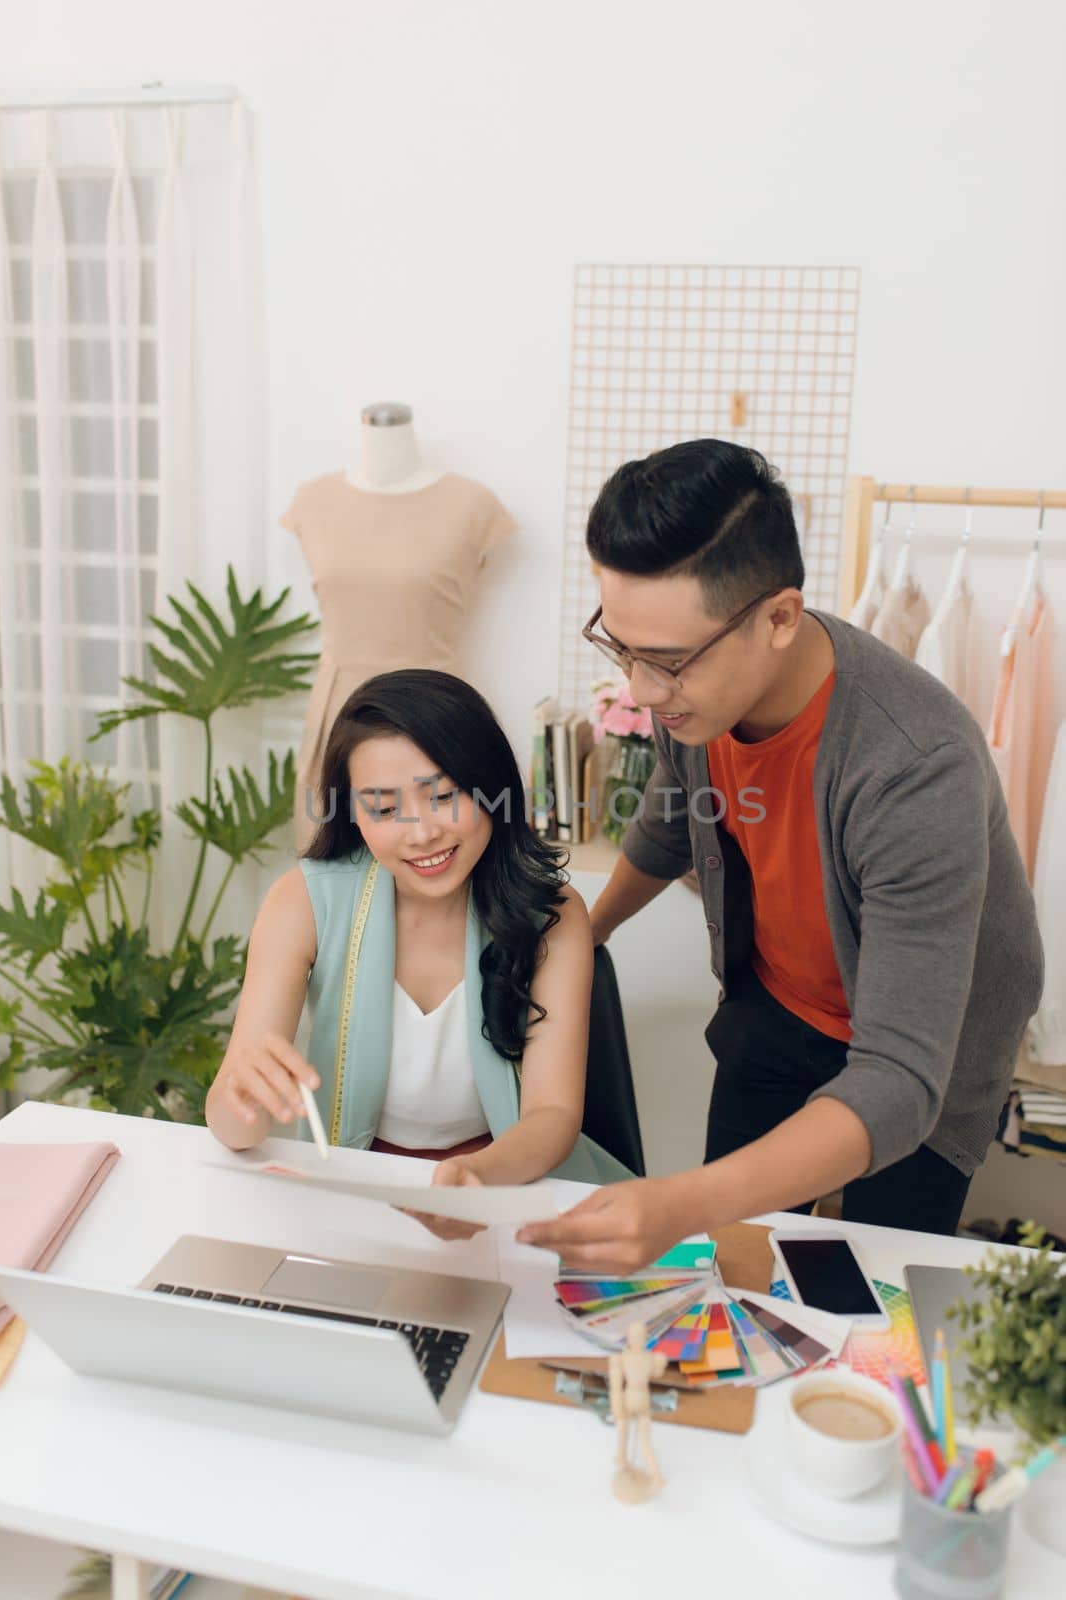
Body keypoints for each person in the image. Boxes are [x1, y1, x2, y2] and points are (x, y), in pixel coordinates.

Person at [518, 439, 1043, 1269]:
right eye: (620, 649)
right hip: (781, 1000)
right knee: (734, 1266)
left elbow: (899, 1079)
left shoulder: (915, 766)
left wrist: (680, 1201)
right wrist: (590, 930)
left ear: (779, 618)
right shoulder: (692, 695)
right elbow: (671, 815)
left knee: (876, 1286)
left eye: (666, 662)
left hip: (927, 1045)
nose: (642, 691)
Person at [206, 669, 630, 1236]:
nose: (421, 832)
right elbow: (233, 1124)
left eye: (445, 796)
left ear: (491, 789)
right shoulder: (303, 900)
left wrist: (475, 1181)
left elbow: (553, 1116)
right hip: (357, 1186)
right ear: (352, 814)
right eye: (383, 809)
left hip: (510, 1180)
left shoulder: (553, 914)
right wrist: (242, 1095)